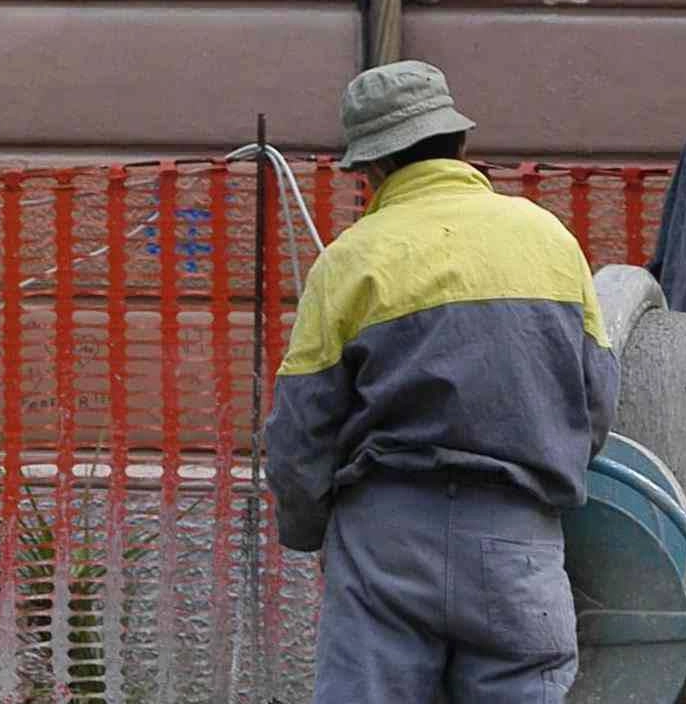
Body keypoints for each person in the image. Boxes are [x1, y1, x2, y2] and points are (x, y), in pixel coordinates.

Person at [263, 60, 620, 704]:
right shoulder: (550, 240)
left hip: (386, 537)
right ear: (462, 145)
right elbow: (595, 401)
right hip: (517, 539)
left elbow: (300, 431)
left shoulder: (350, 260)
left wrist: (312, 530)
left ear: (369, 171)